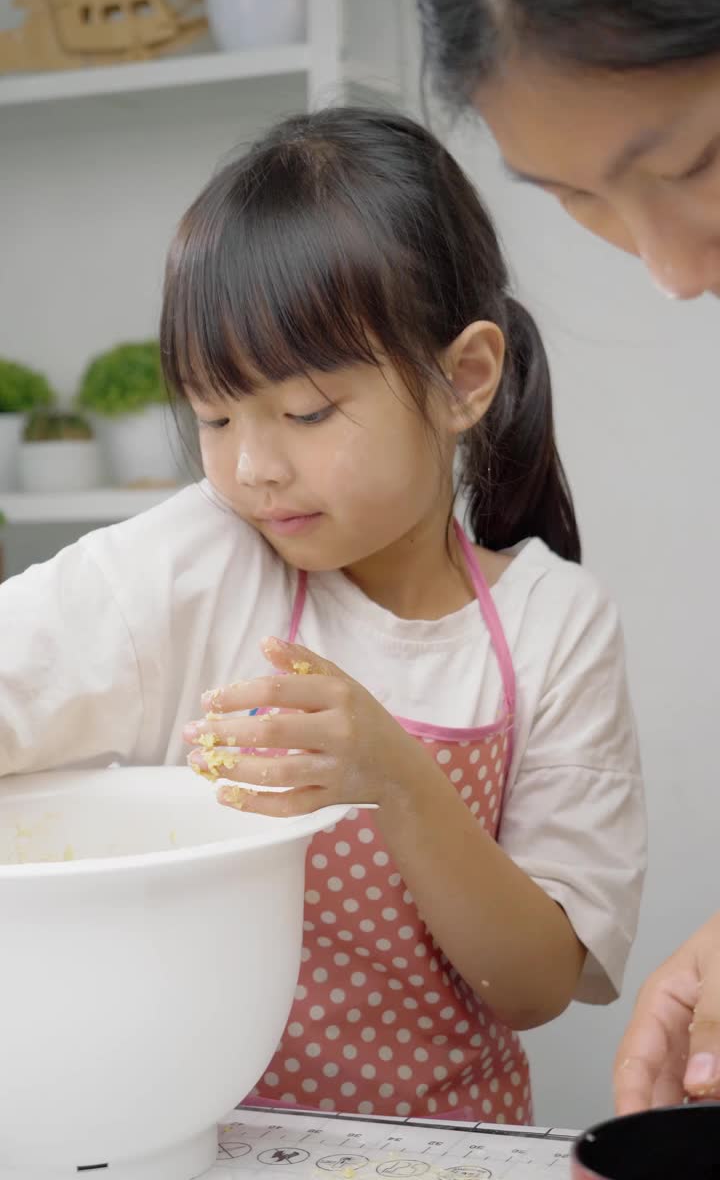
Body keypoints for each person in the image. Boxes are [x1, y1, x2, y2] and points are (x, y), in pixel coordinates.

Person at [0, 108, 644, 1123]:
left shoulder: (552, 623)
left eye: (306, 413)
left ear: (462, 379)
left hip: (445, 1144)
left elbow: (536, 983)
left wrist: (392, 773)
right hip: (197, 1135)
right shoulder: (202, 558)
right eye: (214, 415)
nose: (252, 465)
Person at [407, 0, 720, 1112]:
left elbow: (541, 972)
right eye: (578, 198)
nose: (674, 270)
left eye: (693, 163)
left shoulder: (548, 616)